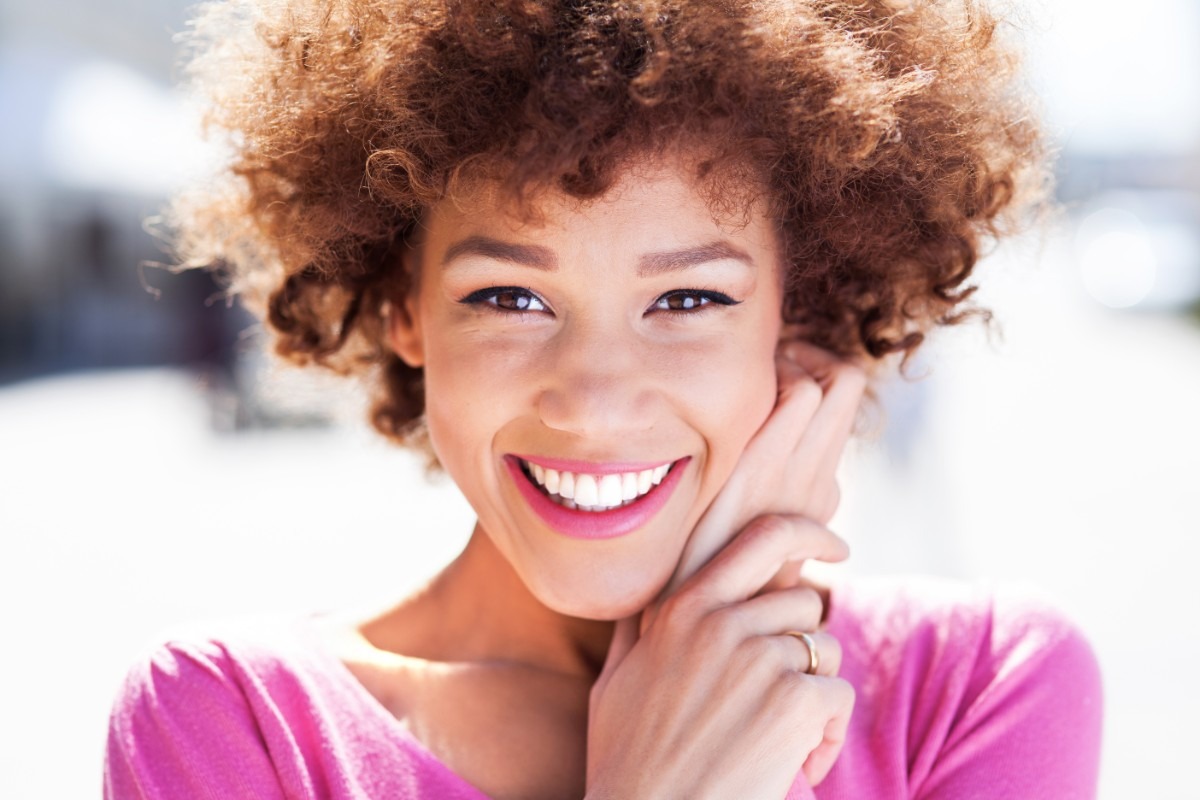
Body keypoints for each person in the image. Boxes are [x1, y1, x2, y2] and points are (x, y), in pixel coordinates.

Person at [104, 0, 1103, 797]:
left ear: (795, 315)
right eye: (509, 295)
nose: (591, 401)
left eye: (687, 298)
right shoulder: (236, 721)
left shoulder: (979, 686)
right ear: (404, 308)